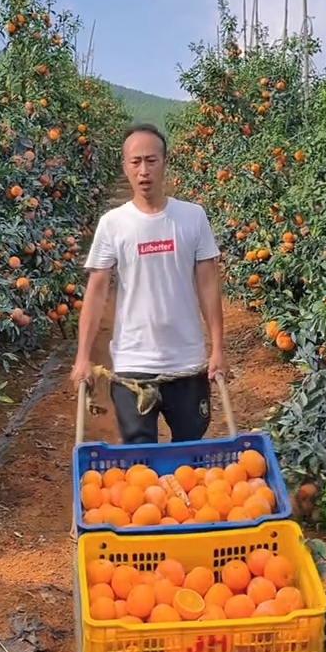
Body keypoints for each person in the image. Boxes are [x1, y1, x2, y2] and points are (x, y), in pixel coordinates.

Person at [69, 122, 223, 445]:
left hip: (187, 363)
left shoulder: (193, 218)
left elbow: (209, 286)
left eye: (151, 161)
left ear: (165, 162)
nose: (143, 171)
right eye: (135, 162)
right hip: (132, 366)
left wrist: (217, 350)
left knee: (190, 453)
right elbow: (96, 292)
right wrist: (83, 356)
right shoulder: (113, 224)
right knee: (140, 462)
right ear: (124, 166)